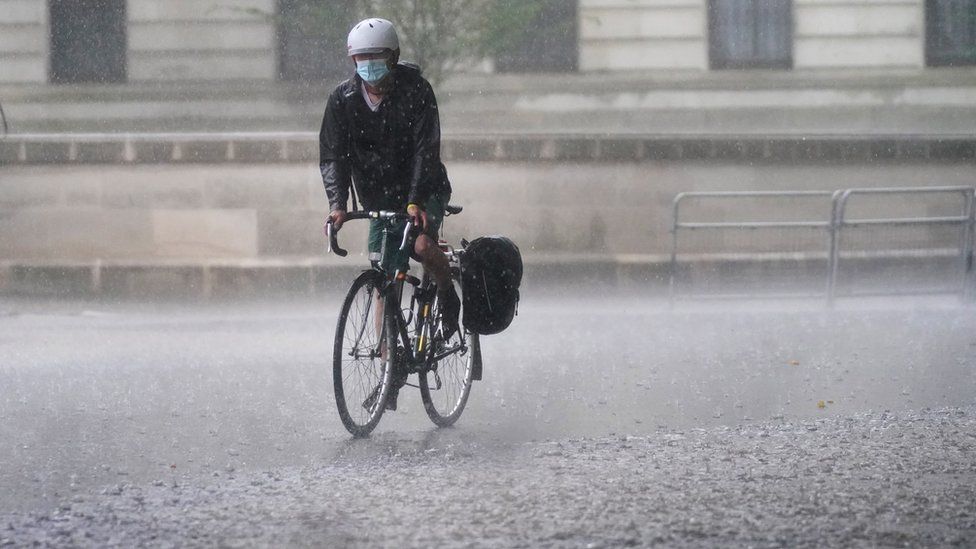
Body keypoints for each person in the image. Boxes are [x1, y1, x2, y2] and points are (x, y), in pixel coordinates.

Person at [320, 18, 460, 408]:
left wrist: (416, 199)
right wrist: (338, 206)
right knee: (385, 275)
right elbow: (333, 156)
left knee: (418, 246)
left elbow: (424, 149)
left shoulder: (417, 91)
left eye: (376, 58)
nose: (369, 66)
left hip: (424, 186)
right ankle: (390, 369)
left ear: (393, 58)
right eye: (360, 59)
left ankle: (448, 294)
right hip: (378, 197)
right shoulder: (343, 99)